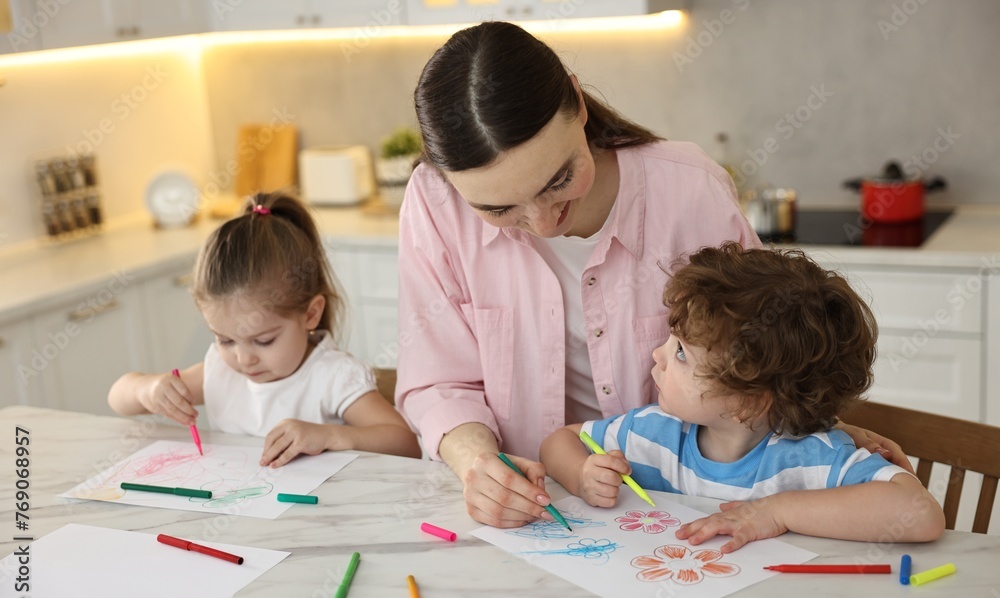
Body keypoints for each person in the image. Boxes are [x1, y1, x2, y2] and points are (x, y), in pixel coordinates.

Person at [396, 21, 909, 529]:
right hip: (520, 521)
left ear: (577, 101)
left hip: (674, 517)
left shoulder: (688, 190)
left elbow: (760, 349)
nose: (542, 222)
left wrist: (818, 425)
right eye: (500, 209)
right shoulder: (434, 202)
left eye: (560, 179)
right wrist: (477, 465)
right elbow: (437, 380)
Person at [540, 243, 945, 552]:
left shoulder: (810, 457)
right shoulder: (651, 434)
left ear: (747, 401)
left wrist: (777, 511)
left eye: (681, 352)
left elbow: (922, 514)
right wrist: (581, 476)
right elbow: (560, 441)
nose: (658, 355)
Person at [108, 192, 420, 465]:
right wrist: (147, 390)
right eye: (225, 339)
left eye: (264, 340)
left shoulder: (334, 377)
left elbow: (404, 444)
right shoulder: (220, 371)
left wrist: (330, 436)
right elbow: (118, 397)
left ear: (311, 314)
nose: (244, 359)